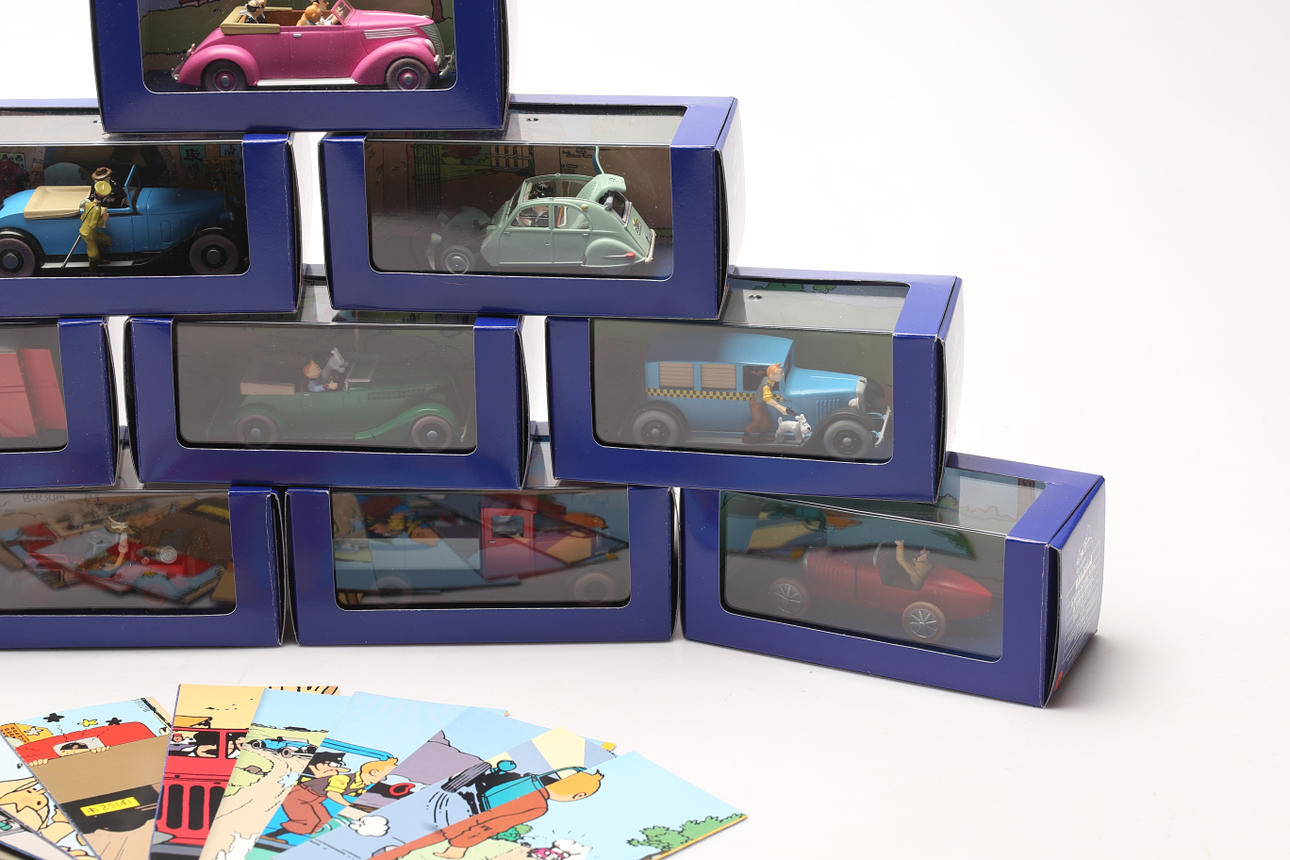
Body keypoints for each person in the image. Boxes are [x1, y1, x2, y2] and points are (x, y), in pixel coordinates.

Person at [742, 363, 790, 443]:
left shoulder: (769, 379)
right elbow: (767, 398)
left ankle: (763, 436)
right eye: (779, 373)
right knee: (757, 421)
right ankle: (746, 437)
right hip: (756, 404)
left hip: (762, 404)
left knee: (766, 421)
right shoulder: (766, 384)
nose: (782, 374)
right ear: (772, 375)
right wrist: (780, 407)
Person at [78, 180, 113, 268]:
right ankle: (93, 267)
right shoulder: (97, 209)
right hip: (88, 233)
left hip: (88, 231)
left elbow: (82, 217)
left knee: (107, 240)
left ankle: (99, 258)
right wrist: (103, 219)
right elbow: (93, 225)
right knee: (93, 254)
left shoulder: (88, 204)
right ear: (104, 198)